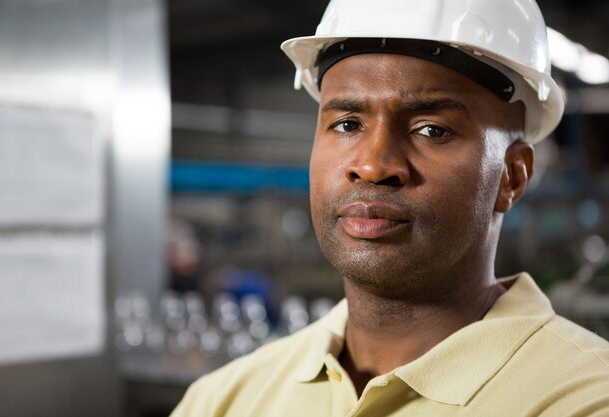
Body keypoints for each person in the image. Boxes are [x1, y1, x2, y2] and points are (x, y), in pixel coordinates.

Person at [170, 0, 609, 415]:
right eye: (346, 124)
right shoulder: (223, 400)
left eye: (432, 130)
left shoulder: (587, 399)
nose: (373, 165)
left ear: (512, 176)